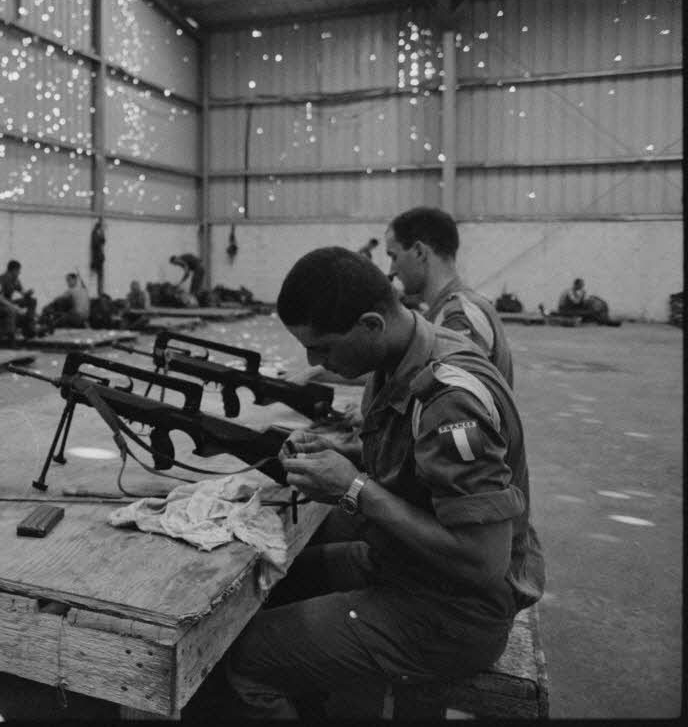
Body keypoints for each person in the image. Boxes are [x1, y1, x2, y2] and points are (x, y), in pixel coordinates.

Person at [223, 246, 544, 718]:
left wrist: (353, 489)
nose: (315, 360)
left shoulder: (449, 398)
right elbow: (414, 458)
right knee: (275, 581)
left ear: (371, 324)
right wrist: (345, 454)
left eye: (324, 346)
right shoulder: (399, 360)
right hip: (407, 568)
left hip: (452, 614)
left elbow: (482, 561)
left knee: (241, 658)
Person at [384, 207, 514, 387]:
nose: (392, 271)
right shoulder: (440, 312)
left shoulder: (459, 315)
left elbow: (456, 397)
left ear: (419, 252)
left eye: (394, 256)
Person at [0, 260, 36, 345]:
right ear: (13, 270)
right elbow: (0, 298)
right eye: (18, 271)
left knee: (32, 301)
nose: (19, 273)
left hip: (8, 302)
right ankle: (11, 338)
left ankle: (29, 327)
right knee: (11, 311)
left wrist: (28, 293)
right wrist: (14, 307)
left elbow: (22, 292)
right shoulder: (0, 280)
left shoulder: (15, 280)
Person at [555, 278, 621, 326]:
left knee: (591, 311)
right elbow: (575, 302)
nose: (582, 286)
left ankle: (605, 320)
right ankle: (605, 321)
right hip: (566, 310)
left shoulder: (577, 292)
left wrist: (588, 299)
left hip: (573, 309)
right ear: (576, 284)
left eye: (582, 285)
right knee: (590, 312)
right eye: (581, 285)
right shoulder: (569, 292)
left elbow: (580, 302)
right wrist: (583, 297)